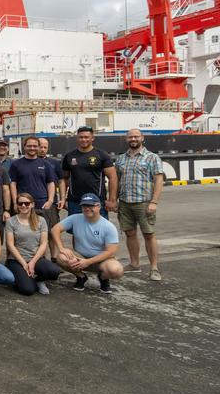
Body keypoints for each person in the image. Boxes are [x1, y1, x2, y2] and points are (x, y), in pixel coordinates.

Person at [114, 128, 165, 281]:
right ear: (126, 139)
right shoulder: (121, 159)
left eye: (136, 136)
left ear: (142, 138)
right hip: (125, 202)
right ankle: (134, 264)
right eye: (130, 137)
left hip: (144, 203)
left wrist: (154, 202)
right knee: (130, 233)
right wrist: (114, 199)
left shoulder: (152, 158)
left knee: (149, 234)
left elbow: (158, 180)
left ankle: (154, 268)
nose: (133, 139)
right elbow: (117, 181)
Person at [51, 193, 124, 293]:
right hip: (80, 257)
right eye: (85, 206)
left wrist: (88, 262)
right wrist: (61, 248)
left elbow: (110, 252)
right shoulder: (75, 218)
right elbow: (55, 229)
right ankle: (81, 277)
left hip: (101, 260)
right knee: (61, 257)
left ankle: (103, 278)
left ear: (98, 206)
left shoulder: (108, 226)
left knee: (116, 270)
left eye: (91, 205)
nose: (87, 208)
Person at [5, 192, 61, 295]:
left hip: (36, 258)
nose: (23, 206)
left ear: (32, 204)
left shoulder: (41, 220)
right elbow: (10, 245)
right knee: (28, 290)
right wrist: (24, 264)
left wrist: (32, 263)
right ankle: (24, 278)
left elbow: (44, 243)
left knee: (54, 271)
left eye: (27, 203)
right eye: (20, 203)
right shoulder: (11, 221)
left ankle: (39, 280)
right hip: (17, 260)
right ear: (17, 205)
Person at [62, 126, 117, 218]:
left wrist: (112, 200)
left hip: (97, 201)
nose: (83, 139)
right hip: (76, 202)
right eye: (81, 137)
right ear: (77, 138)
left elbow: (113, 177)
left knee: (99, 230)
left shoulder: (102, 155)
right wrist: (63, 199)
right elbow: (64, 179)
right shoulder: (69, 156)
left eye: (86, 137)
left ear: (92, 138)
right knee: (77, 231)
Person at [9, 136, 57, 234]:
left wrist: (50, 201)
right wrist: (15, 202)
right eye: (29, 146)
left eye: (35, 146)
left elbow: (50, 183)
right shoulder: (16, 164)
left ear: (38, 147)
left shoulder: (46, 164)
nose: (32, 148)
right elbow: (13, 184)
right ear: (24, 147)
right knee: (24, 235)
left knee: (47, 234)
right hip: (23, 205)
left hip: (42, 205)